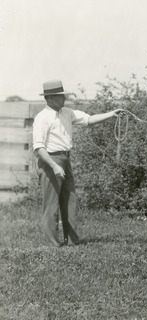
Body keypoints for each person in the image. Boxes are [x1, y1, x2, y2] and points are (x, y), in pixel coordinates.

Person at [33, 79, 126, 247]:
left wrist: (111, 114)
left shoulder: (66, 113)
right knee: (51, 204)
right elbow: (39, 147)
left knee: (70, 200)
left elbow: (89, 119)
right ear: (51, 98)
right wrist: (54, 166)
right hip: (50, 161)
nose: (64, 99)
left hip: (65, 159)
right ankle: (53, 244)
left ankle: (72, 241)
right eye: (61, 97)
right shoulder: (42, 118)